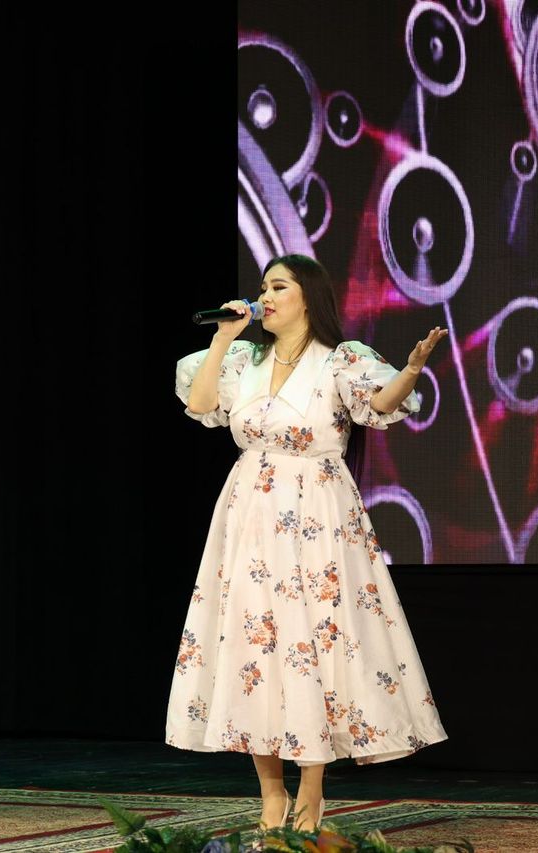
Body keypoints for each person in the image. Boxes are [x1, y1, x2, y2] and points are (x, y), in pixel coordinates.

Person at [165, 254, 448, 832]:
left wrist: (412, 369)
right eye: (263, 287)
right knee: (256, 645)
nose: (265, 297)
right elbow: (200, 404)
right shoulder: (244, 359)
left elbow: (381, 403)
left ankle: (312, 788)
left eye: (278, 287)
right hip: (251, 512)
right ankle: (271, 794)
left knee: (314, 641)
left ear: (307, 297)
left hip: (317, 513)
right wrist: (224, 338)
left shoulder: (340, 360)